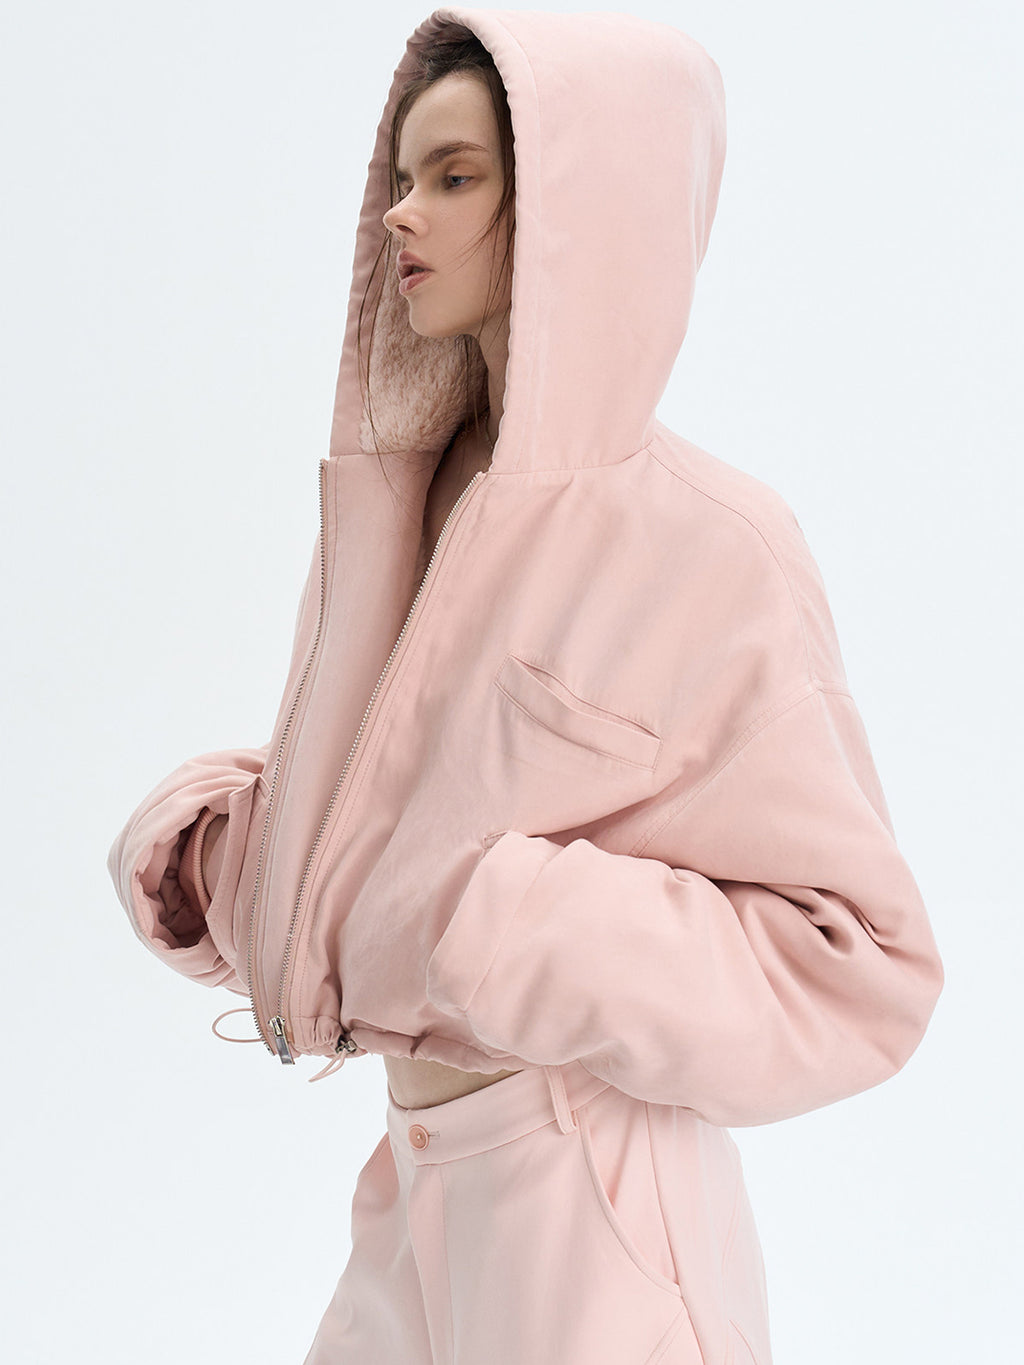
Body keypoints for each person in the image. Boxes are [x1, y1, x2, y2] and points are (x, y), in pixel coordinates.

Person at [106, 9, 944, 1363]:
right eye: (400, 175)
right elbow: (396, 824)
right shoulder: (402, 501)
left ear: (570, 207)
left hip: (595, 1207)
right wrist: (233, 860)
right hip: (411, 1182)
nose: (401, 213)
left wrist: (513, 923)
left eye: (455, 176)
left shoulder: (714, 545)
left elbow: (865, 973)